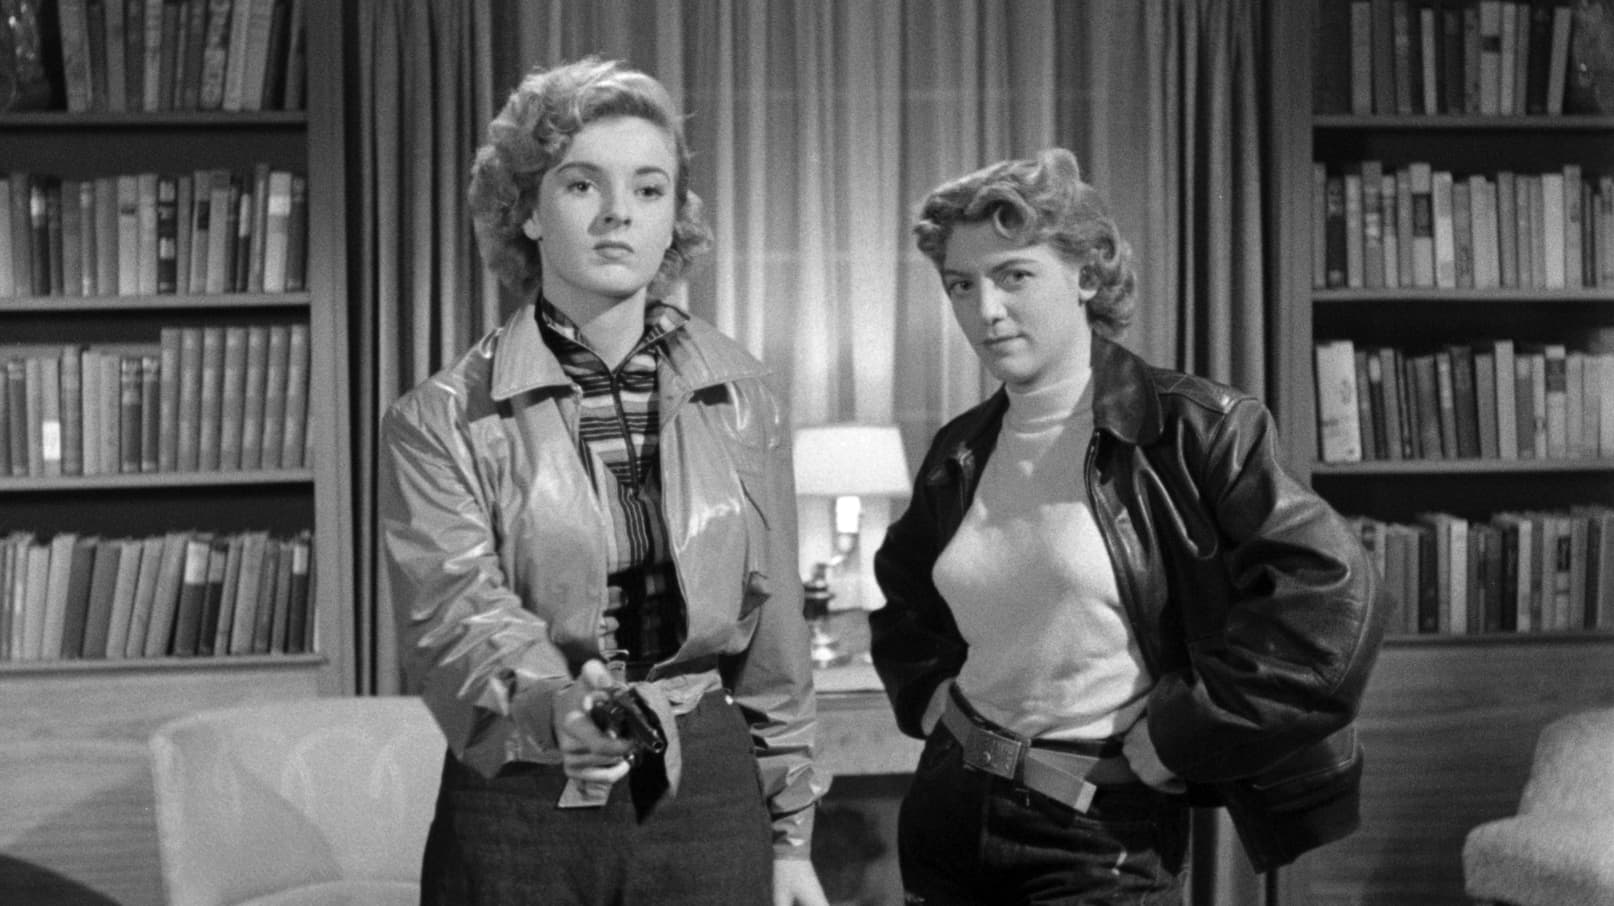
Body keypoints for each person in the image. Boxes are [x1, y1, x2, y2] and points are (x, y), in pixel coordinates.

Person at [869, 148, 1387, 905]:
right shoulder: (961, 448)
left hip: (1097, 832)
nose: (986, 310)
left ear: (1086, 276)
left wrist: (1189, 732)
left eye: (1014, 275)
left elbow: (1333, 596)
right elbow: (905, 594)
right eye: (961, 284)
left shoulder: (1196, 429)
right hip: (949, 813)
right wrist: (929, 698)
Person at [378, 57, 829, 906]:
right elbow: (455, 619)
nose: (619, 211)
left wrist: (792, 837)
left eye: (649, 189)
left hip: (708, 794)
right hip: (522, 792)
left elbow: (776, 645)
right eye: (583, 184)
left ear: (673, 219)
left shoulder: (745, 397)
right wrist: (557, 711)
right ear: (528, 211)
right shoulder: (440, 418)